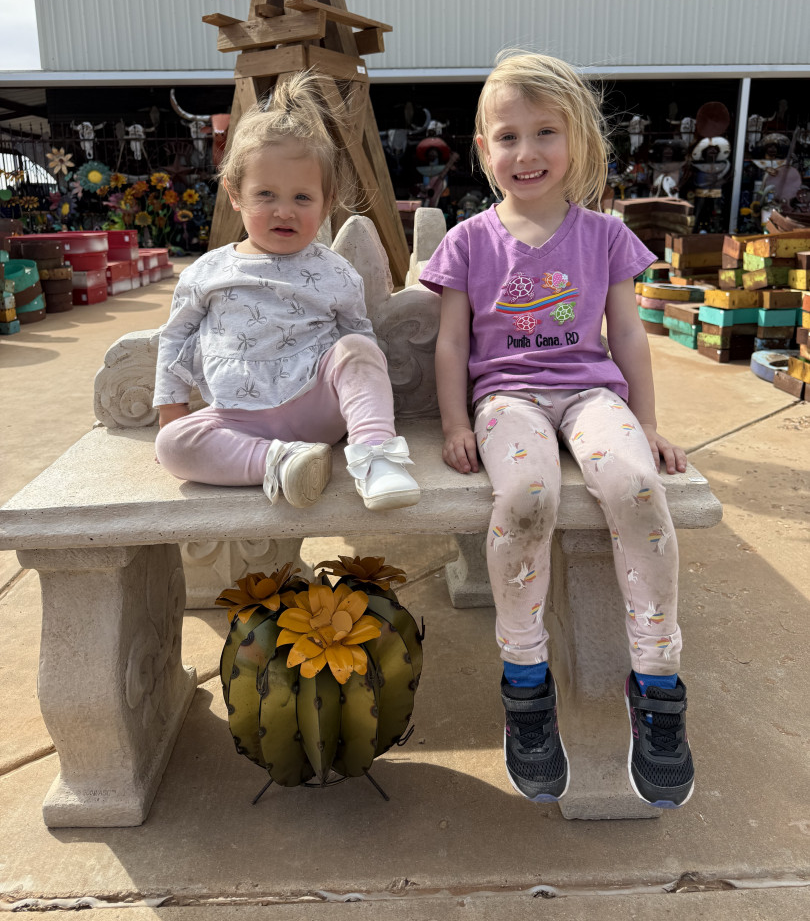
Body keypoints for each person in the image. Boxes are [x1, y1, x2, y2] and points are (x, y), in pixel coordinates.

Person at [419, 51, 693, 810]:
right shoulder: (469, 240)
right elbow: (451, 342)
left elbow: (627, 335)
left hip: (591, 394)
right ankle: (526, 683)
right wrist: (454, 422)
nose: (527, 152)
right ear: (483, 149)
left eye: (546, 132)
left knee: (636, 488)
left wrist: (647, 424)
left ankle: (658, 683)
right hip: (506, 400)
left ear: (578, 140)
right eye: (508, 136)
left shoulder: (604, 235)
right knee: (526, 498)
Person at [154, 71, 420, 513]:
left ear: (327, 201)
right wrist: (171, 407)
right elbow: (175, 338)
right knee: (172, 446)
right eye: (265, 194)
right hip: (237, 419)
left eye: (302, 197)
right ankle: (283, 462)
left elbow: (359, 349)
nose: (284, 211)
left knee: (358, 348)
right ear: (235, 193)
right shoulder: (208, 271)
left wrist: (355, 375)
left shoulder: (335, 271)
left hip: (319, 409)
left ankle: (377, 458)